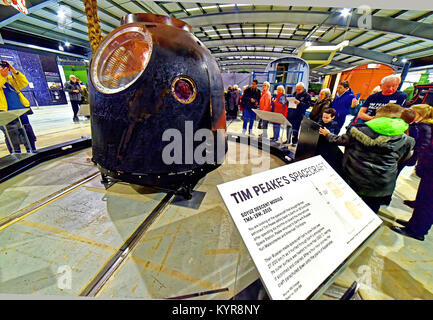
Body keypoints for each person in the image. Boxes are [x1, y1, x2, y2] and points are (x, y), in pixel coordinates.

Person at [319, 103, 415, 213]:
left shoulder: (357, 130)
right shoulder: (407, 140)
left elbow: (339, 141)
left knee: (346, 208)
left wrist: (327, 134)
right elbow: (402, 160)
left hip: (353, 178)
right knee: (371, 211)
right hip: (381, 184)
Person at [391, 104, 433, 241]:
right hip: (428, 170)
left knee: (427, 203)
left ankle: (417, 230)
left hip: (429, 169)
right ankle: (413, 224)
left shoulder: (425, 128)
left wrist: (416, 157)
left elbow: (423, 146)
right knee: (422, 200)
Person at [0, 60, 37, 153]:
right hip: (5, 112)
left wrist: (14, 71)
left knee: (28, 131)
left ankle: (32, 150)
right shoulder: (3, 78)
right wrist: (3, 77)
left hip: (21, 110)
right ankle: (16, 155)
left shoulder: (9, 78)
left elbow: (24, 83)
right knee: (12, 134)